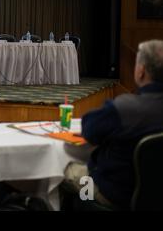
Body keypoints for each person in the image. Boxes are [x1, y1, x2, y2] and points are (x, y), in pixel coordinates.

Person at [63, 39, 163, 209]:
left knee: (67, 171)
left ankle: (81, 204)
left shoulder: (123, 109)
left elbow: (89, 130)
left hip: (116, 195)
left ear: (141, 71)